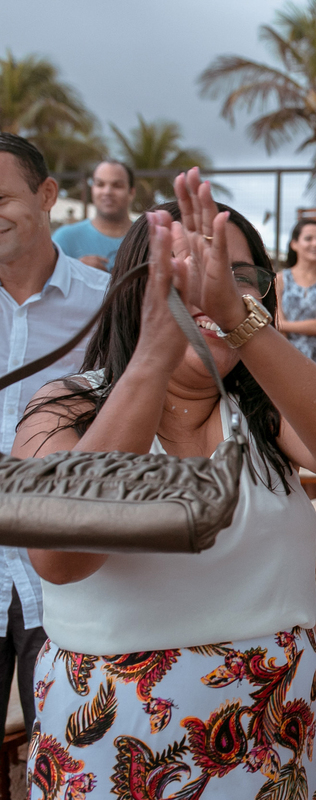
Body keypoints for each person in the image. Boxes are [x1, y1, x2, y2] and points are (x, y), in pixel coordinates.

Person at [12, 168, 316, 798]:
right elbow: (61, 558)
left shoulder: (263, 410)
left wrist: (239, 321)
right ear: (135, 289)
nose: (211, 288)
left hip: (271, 743)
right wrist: (155, 352)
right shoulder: (65, 408)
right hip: (113, 750)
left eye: (237, 275)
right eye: (185, 272)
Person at [0, 133, 109, 742]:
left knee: (64, 750)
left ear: (46, 195)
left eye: (2, 199)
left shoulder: (106, 306)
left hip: (66, 570)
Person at [51, 161, 136, 271]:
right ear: (92, 189)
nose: (107, 192)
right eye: (100, 184)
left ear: (131, 193)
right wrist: (75, 271)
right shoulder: (65, 239)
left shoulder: (148, 237)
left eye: (117, 186)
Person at [277, 218, 316, 370]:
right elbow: (278, 326)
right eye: (308, 238)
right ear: (294, 244)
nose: (315, 244)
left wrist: (284, 325)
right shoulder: (280, 279)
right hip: (288, 357)